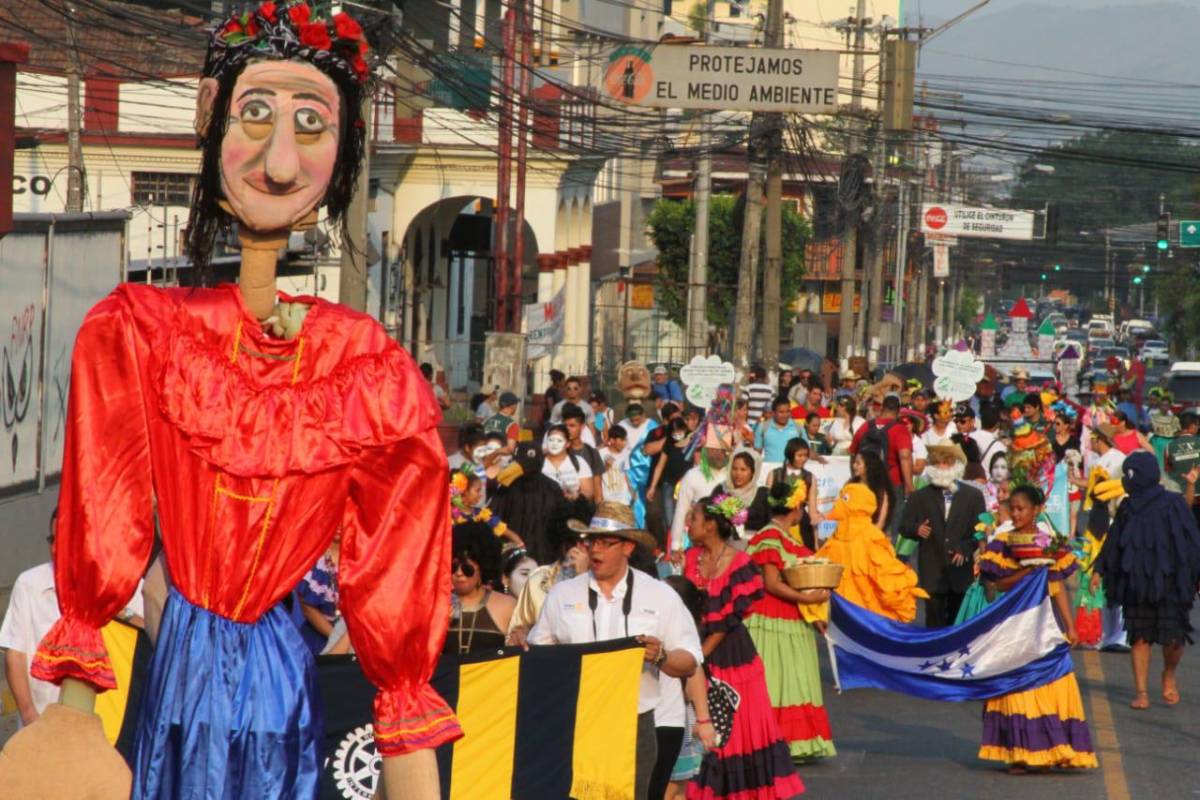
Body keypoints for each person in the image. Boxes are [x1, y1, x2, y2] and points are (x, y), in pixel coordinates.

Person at [12, 9, 461, 795]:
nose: (280, 163)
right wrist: (71, 720)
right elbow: (106, 509)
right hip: (183, 672)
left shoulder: (364, 363)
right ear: (209, 114)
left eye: (311, 126)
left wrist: (409, 747)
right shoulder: (141, 329)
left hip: (275, 681)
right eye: (255, 115)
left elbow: (399, 569)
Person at [528, 504, 703, 800]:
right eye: (591, 541)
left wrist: (660, 656)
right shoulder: (562, 594)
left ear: (628, 547)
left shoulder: (660, 595)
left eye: (605, 542)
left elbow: (690, 660)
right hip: (577, 722)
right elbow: (538, 658)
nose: (595, 549)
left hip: (635, 725)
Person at [684, 495, 805, 800]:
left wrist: (697, 657)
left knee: (735, 726)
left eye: (694, 518)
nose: (688, 524)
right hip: (696, 649)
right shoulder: (690, 558)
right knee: (701, 724)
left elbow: (727, 623)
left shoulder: (740, 564)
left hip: (731, 656)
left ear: (710, 525)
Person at [977, 485, 1097, 772]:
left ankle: (1052, 749)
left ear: (1037, 510)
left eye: (1022, 509)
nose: (1016, 514)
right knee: (1016, 688)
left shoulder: (1051, 543)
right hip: (1014, 627)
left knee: (1051, 683)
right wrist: (1030, 571)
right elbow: (998, 584)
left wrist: (1071, 627)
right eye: (1013, 509)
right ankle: (1019, 753)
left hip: (1046, 625)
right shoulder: (1003, 542)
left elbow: (1058, 588)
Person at [1095, 452, 1200, 709]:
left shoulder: (1172, 502)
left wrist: (1190, 485)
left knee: (1174, 638)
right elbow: (1113, 541)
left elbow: (1190, 537)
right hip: (1137, 582)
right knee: (1140, 637)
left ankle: (1169, 674)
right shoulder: (1127, 507)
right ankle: (1141, 691)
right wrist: (1099, 570)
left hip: (1171, 582)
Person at [745, 480, 836, 760]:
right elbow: (771, 583)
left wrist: (814, 612)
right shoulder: (771, 537)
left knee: (792, 678)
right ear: (795, 508)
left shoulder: (785, 537)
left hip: (791, 618)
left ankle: (790, 741)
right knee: (778, 678)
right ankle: (771, 740)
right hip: (771, 619)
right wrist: (807, 600)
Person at [899, 443, 986, 627]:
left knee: (958, 624)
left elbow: (980, 531)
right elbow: (904, 526)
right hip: (932, 570)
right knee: (934, 624)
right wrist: (916, 529)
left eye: (946, 463)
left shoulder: (973, 496)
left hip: (960, 571)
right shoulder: (919, 496)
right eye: (937, 463)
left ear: (955, 465)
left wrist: (964, 548)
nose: (941, 467)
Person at [814, 483, 928, 622]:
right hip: (840, 611)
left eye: (845, 498)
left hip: (866, 614)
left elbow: (885, 572)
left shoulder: (870, 537)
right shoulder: (836, 538)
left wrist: (899, 594)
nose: (838, 503)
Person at [445, 521, 516, 655]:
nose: (459, 573)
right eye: (453, 567)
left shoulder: (507, 606)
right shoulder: (434, 606)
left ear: (483, 567)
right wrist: (438, 630)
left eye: (467, 568)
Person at [671, 430, 732, 552]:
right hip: (698, 543)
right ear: (706, 449)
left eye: (723, 449)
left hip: (728, 544)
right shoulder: (692, 475)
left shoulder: (732, 475)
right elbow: (681, 511)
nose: (719, 453)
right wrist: (676, 545)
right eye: (714, 448)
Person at [850, 393, 915, 500]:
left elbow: (853, 453)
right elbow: (905, 457)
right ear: (898, 411)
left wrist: (856, 477)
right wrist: (909, 484)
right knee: (893, 511)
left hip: (868, 481)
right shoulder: (900, 430)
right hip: (892, 482)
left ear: (882, 408)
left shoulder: (866, 426)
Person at [649, 418, 694, 550]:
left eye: (679, 432)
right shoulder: (669, 444)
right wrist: (652, 487)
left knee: (686, 518)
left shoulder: (692, 443)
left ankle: (686, 547)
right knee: (670, 520)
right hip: (669, 485)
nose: (677, 435)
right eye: (674, 433)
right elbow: (659, 466)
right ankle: (672, 548)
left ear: (684, 429)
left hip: (686, 487)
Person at [296, 538, 340, 655]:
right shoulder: (314, 555)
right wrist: (336, 638)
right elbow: (307, 608)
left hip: (353, 637)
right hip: (318, 638)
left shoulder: (361, 555)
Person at [722, 449, 770, 539]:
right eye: (734, 469)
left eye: (743, 470)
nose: (738, 474)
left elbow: (769, 524)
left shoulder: (763, 494)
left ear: (752, 472)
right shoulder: (723, 491)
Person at [562, 403, 605, 502]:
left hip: (585, 507)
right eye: (565, 426)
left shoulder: (592, 453)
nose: (568, 429)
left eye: (572, 425)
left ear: (582, 427)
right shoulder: (559, 452)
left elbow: (598, 491)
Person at [542, 423, 595, 502]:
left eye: (559, 440)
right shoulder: (538, 462)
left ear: (567, 444)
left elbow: (588, 492)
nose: (554, 444)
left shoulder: (579, 462)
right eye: (551, 440)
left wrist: (575, 496)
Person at [848, 451, 893, 530]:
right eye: (854, 462)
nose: (854, 465)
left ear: (868, 466)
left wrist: (868, 535)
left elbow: (881, 522)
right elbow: (842, 507)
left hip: (871, 533)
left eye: (858, 463)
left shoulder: (880, 491)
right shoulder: (850, 486)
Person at [755, 397, 801, 472]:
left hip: (791, 473)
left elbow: (807, 450)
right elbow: (757, 453)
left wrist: (818, 458)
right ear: (773, 413)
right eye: (781, 412)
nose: (785, 415)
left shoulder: (798, 428)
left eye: (787, 411)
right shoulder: (763, 427)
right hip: (769, 472)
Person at [550, 376, 598, 444]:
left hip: (581, 442)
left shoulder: (587, 407)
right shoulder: (557, 407)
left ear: (580, 389)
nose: (572, 391)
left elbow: (592, 429)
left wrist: (587, 445)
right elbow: (552, 427)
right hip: (562, 442)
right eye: (569, 388)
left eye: (575, 388)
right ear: (565, 390)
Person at [599, 424, 635, 506]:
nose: (624, 443)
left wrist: (630, 490)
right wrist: (606, 466)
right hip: (608, 498)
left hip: (623, 499)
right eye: (621, 440)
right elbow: (597, 476)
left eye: (625, 440)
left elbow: (625, 474)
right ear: (612, 440)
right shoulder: (601, 453)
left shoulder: (625, 454)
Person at [1165, 411, 1200, 492]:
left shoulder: (1168, 446)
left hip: (1179, 493)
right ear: (1192, 426)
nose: (1198, 427)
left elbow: (1168, 471)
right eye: (1197, 425)